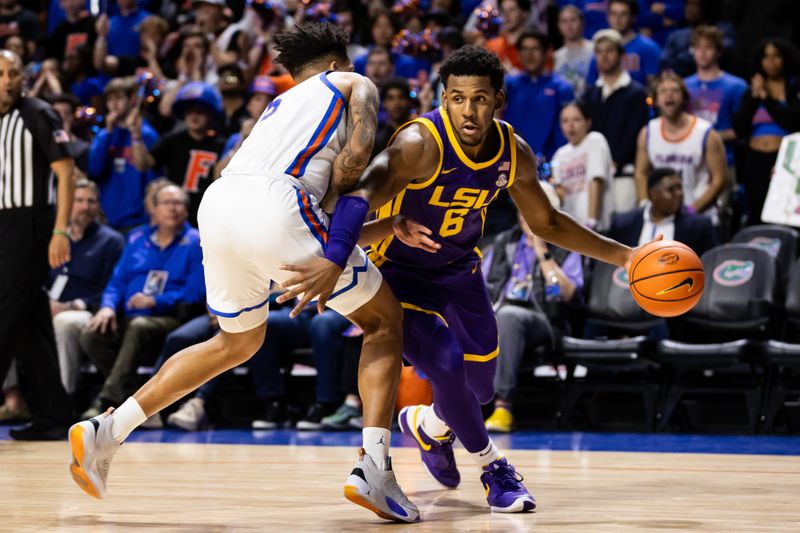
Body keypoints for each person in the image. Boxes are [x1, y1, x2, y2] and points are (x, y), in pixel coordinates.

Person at [67, 23, 420, 524]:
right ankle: (375, 469)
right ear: (337, 62)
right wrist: (337, 247)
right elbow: (354, 160)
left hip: (220, 203)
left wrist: (381, 229)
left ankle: (109, 427)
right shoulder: (352, 82)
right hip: (280, 200)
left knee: (237, 342)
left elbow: (280, 213)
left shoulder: (276, 111)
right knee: (384, 322)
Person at [282, 45, 650, 514]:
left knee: (479, 389)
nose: (468, 110)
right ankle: (493, 468)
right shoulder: (420, 143)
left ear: (498, 100)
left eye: (479, 99)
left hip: (460, 272)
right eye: (457, 98)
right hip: (399, 272)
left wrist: (627, 256)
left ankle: (431, 427)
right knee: (446, 365)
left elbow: (547, 223)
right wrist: (335, 258)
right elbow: (360, 196)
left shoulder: (513, 151)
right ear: (444, 97)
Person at [0, 50, 76, 441]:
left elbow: (66, 173)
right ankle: (54, 415)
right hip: (4, 223)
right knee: (30, 325)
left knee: (4, 314)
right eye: (2, 74)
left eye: (14, 73)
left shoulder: (38, 113)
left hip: (30, 223)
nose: (10, 80)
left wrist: (60, 231)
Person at [79, 185, 205, 418]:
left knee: (139, 327)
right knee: (91, 333)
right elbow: (117, 282)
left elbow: (195, 292)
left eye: (178, 203)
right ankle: (134, 398)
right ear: (154, 210)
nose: (173, 209)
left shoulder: (195, 242)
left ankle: (106, 400)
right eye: (167, 203)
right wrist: (107, 307)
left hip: (168, 319)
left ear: (187, 211)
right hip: (128, 316)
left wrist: (154, 301)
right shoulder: (137, 238)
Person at [483, 189, 584, 433]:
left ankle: (503, 408)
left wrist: (542, 251)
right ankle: (449, 409)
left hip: (545, 320)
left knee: (509, 317)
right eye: (524, 211)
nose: (528, 217)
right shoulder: (504, 241)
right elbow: (481, 284)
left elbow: (566, 293)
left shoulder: (567, 245)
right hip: (500, 311)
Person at [635, 73, 728, 225]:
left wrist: (692, 211)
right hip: (662, 216)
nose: (669, 95)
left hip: (700, 214)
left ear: (684, 97)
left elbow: (719, 180)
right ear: (656, 100)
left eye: (675, 90)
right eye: (663, 91)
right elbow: (641, 173)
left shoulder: (706, 132)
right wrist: (645, 204)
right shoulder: (648, 132)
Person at [130, 81, 227, 227]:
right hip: (174, 216)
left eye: (200, 111)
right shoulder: (172, 140)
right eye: (189, 112)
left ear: (210, 114)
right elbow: (143, 164)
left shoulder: (222, 144)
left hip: (208, 217)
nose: (194, 116)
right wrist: (136, 136)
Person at [733, 38, 800, 225]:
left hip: (786, 160)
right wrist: (755, 97)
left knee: (786, 214)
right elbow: (740, 128)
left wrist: (766, 98)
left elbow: (792, 122)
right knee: (757, 212)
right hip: (755, 160)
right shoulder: (752, 91)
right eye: (766, 57)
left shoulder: (794, 88)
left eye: (776, 56)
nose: (771, 61)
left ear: (785, 58)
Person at [582, 29, 649, 212]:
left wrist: (615, 161)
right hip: (594, 176)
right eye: (599, 51)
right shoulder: (590, 93)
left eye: (609, 50)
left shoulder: (636, 92)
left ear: (621, 54)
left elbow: (635, 133)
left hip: (624, 176)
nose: (604, 56)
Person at [88, 77, 158, 232]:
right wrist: (108, 133)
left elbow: (152, 176)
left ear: (132, 100)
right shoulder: (104, 135)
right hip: (108, 217)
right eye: (110, 100)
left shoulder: (145, 134)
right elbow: (94, 169)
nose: (113, 104)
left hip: (138, 218)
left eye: (119, 98)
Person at [609, 167, 719, 256]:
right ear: (654, 194)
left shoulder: (698, 226)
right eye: (671, 190)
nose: (679, 193)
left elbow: (713, 261)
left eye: (680, 188)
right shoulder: (623, 223)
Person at [503, 31, 574, 160]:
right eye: (525, 49)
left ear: (546, 53)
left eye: (535, 49)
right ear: (518, 54)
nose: (530, 55)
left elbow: (566, 130)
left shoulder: (561, 87)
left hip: (552, 162)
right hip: (513, 161)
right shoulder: (509, 85)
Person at [684, 25, 748, 166]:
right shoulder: (683, 86)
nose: (702, 52)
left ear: (718, 52)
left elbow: (743, 129)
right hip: (689, 160)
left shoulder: (737, 86)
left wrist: (710, 138)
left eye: (708, 47)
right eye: (698, 47)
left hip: (724, 160)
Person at [550, 101, 615, 230]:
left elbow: (596, 181)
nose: (571, 126)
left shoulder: (595, 140)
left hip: (596, 229)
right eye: (565, 121)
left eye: (576, 120)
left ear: (588, 122)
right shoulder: (559, 155)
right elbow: (559, 195)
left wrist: (592, 222)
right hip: (571, 232)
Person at [585, 0, 662, 87]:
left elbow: (653, 86)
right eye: (613, 14)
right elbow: (591, 85)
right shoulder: (600, 48)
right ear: (607, 17)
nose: (618, 19)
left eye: (623, 14)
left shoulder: (648, 48)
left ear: (633, 17)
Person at [554, 5, 595, 98]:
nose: (569, 25)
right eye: (564, 21)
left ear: (582, 23)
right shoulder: (556, 56)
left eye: (573, 20)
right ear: (558, 26)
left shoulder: (595, 50)